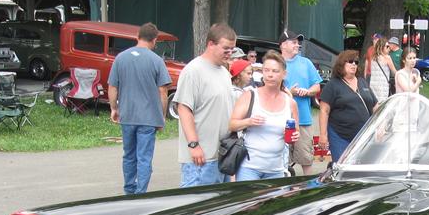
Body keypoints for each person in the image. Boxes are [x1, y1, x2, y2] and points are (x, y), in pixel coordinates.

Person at [107, 22, 172, 195]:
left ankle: (129, 190)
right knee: (144, 157)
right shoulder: (157, 61)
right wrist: (162, 116)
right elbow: (163, 91)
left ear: (137, 37)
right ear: (155, 40)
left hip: (128, 115)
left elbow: (112, 87)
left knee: (129, 155)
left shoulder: (120, 58)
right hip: (148, 118)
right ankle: (141, 192)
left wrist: (114, 108)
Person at [175, 22, 236, 187]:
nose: (229, 53)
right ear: (211, 44)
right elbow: (184, 109)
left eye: (232, 49)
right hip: (201, 158)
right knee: (196, 201)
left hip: (223, 155)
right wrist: (193, 145)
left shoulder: (224, 73)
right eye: (226, 49)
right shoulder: (193, 71)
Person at [228, 51, 298, 180]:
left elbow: (293, 136)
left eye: (275, 71)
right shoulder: (249, 96)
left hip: (276, 169)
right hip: (249, 168)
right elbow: (232, 125)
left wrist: (293, 136)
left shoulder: (290, 103)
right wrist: (248, 121)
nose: (270, 75)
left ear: (284, 74)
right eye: (266, 70)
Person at [318, 50, 378, 162]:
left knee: (363, 166)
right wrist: (323, 135)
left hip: (364, 135)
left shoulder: (362, 82)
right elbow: (324, 111)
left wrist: (380, 125)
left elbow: (375, 106)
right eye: (350, 61)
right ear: (342, 63)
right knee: (342, 166)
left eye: (356, 62)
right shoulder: (333, 85)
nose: (354, 64)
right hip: (340, 136)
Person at [279, 29, 322, 175]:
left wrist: (307, 91)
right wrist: (289, 93)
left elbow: (317, 87)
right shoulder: (276, 64)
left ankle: (308, 187)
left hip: (303, 120)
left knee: (306, 159)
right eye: (293, 42)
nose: (297, 45)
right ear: (283, 45)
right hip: (280, 120)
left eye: (298, 43)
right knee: (280, 161)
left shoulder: (306, 63)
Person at [368, 36, 396, 102]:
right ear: (381, 47)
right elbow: (394, 72)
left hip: (373, 85)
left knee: (375, 104)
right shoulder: (387, 57)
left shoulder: (373, 57)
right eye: (387, 46)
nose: (389, 48)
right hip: (383, 86)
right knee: (382, 104)